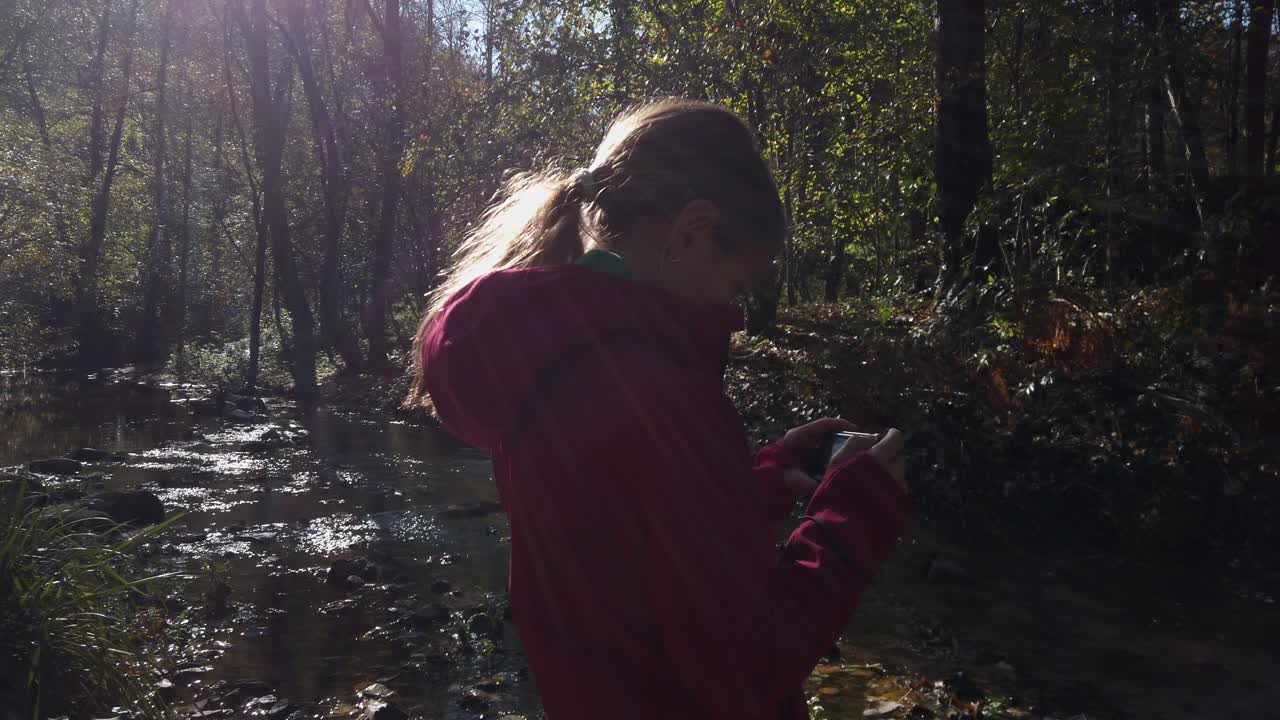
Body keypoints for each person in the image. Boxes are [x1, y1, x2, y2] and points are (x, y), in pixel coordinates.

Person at [405, 99, 911, 720]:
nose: (738, 312)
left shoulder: (549, 359)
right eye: (738, 283)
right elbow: (750, 664)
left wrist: (757, 483)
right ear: (691, 230)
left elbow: (624, 551)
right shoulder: (662, 395)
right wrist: (855, 514)